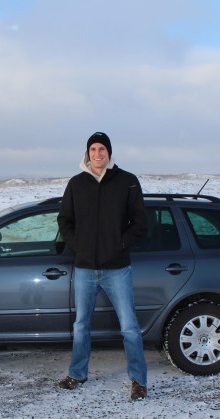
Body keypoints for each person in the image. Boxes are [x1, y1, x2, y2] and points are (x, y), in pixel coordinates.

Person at [57, 131, 149, 401]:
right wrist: (79, 246)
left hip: (117, 268)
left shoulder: (127, 182)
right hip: (85, 268)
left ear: (109, 152)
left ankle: (139, 381)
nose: (98, 154)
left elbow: (140, 224)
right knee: (81, 325)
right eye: (93, 149)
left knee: (129, 327)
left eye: (102, 149)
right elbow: (65, 221)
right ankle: (77, 373)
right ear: (87, 153)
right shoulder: (76, 184)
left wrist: (119, 244)